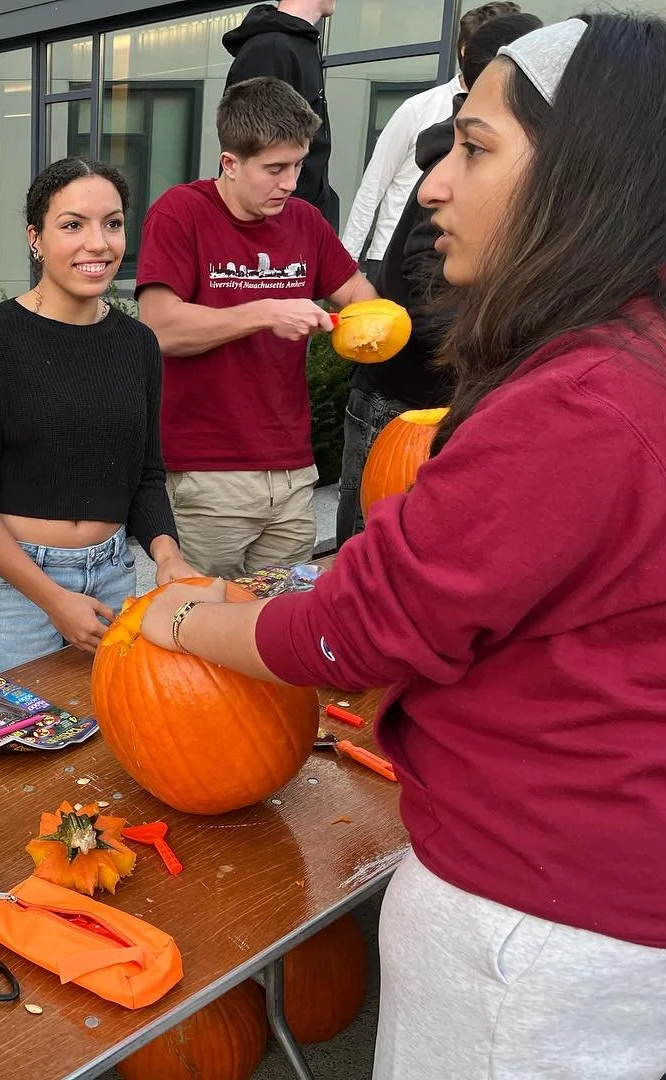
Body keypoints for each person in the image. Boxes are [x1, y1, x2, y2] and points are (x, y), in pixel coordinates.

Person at [140, 16, 666, 1077]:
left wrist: (183, 615)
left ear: (587, 172)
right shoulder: (634, 358)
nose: (432, 188)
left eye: (474, 148)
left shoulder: (584, 400)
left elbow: (352, 631)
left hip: (532, 927)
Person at [0, 158, 194, 677]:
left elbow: (145, 475)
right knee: (19, 749)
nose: (98, 243)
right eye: (72, 225)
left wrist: (167, 556)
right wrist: (52, 597)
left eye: (112, 224)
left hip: (113, 574)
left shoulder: (138, 345)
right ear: (36, 238)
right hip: (13, 589)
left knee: (110, 731)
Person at [136, 77, 374, 580]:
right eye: (274, 168)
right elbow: (159, 328)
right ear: (230, 163)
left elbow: (359, 296)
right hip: (207, 473)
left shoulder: (306, 221)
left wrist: (369, 324)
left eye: (298, 165)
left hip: (292, 472)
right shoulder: (181, 212)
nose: (290, 182)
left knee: (278, 627)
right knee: (199, 625)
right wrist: (267, 310)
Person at [335, 9, 543, 544]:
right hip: (401, 399)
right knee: (370, 542)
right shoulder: (453, 183)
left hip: (435, 393)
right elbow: (428, 293)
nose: (436, 188)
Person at [340, 2, 522, 282]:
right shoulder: (419, 107)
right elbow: (373, 185)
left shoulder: (518, 118)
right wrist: (345, 264)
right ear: (467, 51)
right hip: (394, 256)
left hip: (463, 257)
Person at [223, 0, 339, 229]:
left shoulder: (296, 45)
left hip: (301, 233)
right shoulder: (271, 49)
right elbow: (251, 155)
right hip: (277, 244)